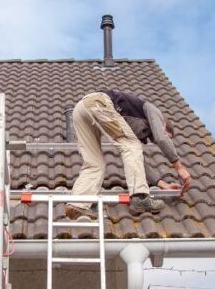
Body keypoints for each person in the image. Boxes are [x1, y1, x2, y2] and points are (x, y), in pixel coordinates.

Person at [66, 89, 192, 220]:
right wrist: (179, 168)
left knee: (94, 164)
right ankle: (140, 197)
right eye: (168, 135)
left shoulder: (138, 129)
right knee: (132, 146)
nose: (155, 141)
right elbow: (161, 138)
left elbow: (137, 160)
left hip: (81, 109)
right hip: (98, 102)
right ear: (164, 125)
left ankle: (78, 203)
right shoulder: (154, 111)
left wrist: (162, 185)